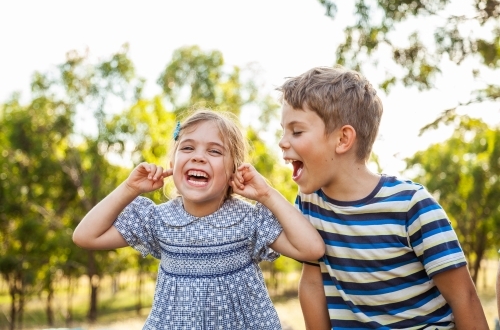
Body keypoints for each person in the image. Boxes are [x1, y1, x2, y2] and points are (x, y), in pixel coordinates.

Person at [277, 66, 489, 329]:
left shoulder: (412, 206)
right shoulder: (310, 204)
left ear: (343, 139)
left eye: (296, 131)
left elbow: (464, 298)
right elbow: (312, 283)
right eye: (283, 131)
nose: (282, 142)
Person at [72, 109, 325, 330]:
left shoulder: (249, 220)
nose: (198, 157)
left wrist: (267, 194)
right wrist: (129, 188)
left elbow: (312, 249)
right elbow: (85, 236)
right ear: (173, 162)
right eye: (188, 147)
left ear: (233, 172)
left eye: (214, 151)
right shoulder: (159, 220)